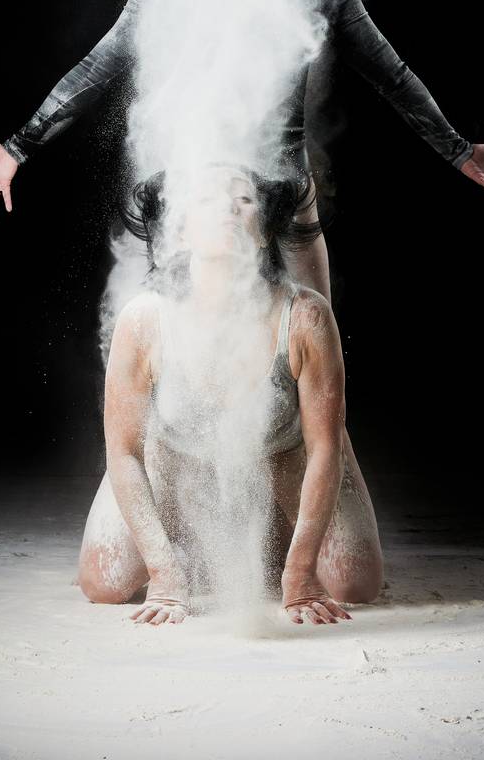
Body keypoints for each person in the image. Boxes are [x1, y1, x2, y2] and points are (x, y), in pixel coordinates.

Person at [0, 0, 484, 305]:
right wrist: (16, 147)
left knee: (314, 333)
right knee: (181, 334)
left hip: (275, 189)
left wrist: (458, 149)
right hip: (199, 194)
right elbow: (93, 71)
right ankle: (154, 450)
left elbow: (391, 74)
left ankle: (330, 456)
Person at [78, 164, 383, 625]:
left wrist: (300, 575)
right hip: (173, 454)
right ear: (178, 234)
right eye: (205, 199)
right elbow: (123, 451)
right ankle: (195, 533)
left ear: (263, 232)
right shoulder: (143, 319)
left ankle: (295, 515)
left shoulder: (306, 315)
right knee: (105, 584)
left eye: (243, 199)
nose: (226, 207)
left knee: (354, 582)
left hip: (284, 449)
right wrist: (164, 575)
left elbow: (321, 448)